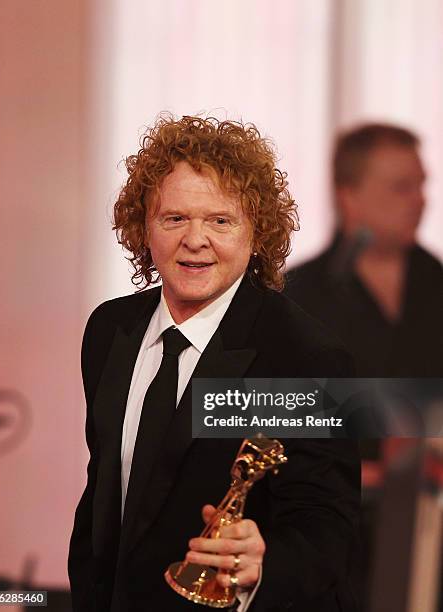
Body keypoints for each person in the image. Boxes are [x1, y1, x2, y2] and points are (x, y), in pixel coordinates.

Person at [68, 115, 360, 612]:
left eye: (220, 220)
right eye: (174, 218)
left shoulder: (301, 356)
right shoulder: (108, 330)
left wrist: (259, 567)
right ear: (144, 227)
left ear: (257, 231)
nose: (195, 239)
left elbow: (323, 526)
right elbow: (106, 494)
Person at [286, 123, 443, 377]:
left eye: (421, 185)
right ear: (349, 198)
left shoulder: (435, 278)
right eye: (402, 187)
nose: (421, 200)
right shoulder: (297, 299)